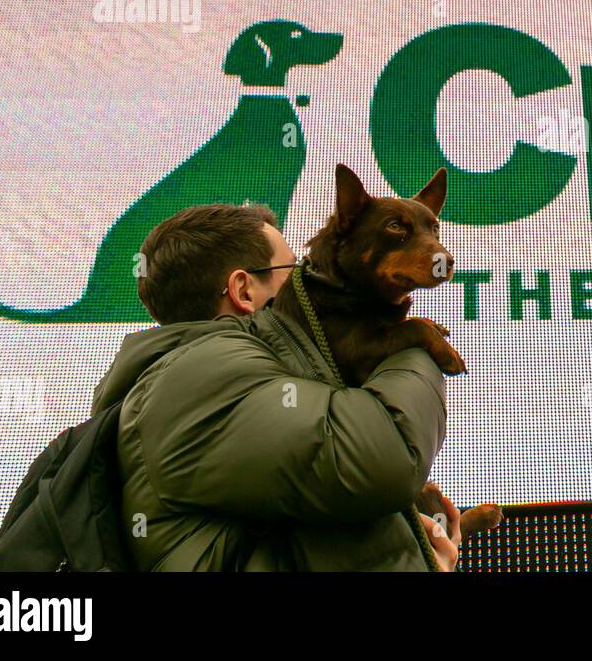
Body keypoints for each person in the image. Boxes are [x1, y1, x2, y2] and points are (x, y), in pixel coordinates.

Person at [91, 202, 461, 570]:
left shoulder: (210, 378)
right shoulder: (202, 377)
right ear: (244, 290)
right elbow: (387, 458)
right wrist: (408, 336)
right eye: (296, 269)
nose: (311, 279)